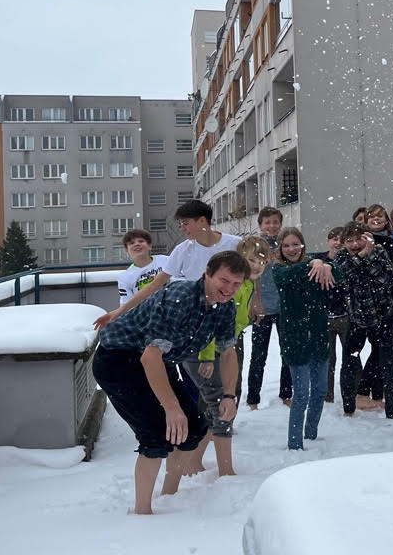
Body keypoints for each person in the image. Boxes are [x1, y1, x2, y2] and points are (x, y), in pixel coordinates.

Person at [92, 251, 249, 514]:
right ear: (207, 274)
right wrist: (171, 408)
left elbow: (228, 352)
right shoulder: (181, 297)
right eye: (224, 280)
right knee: (155, 437)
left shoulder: (224, 308)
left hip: (156, 359)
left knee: (195, 428)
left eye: (236, 284)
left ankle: (169, 495)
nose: (229, 289)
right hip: (117, 360)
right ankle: (143, 512)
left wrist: (229, 395)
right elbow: (150, 356)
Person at [184, 236, 269, 476]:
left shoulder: (248, 285)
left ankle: (195, 459)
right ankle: (216, 467)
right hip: (211, 348)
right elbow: (212, 322)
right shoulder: (234, 286)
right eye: (251, 260)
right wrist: (208, 356)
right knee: (221, 403)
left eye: (261, 261)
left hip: (227, 344)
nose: (256, 265)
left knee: (223, 402)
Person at [95, 200, 242, 328]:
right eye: (180, 224)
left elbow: (253, 273)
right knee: (199, 359)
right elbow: (155, 284)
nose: (182, 228)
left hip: (231, 312)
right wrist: (120, 310)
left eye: (186, 223)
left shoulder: (235, 244)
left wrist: (255, 299)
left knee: (230, 354)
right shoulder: (182, 251)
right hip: (197, 317)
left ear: (203, 221)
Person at [271, 227, 340, 449]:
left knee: (320, 389)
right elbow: (290, 276)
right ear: (280, 248)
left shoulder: (316, 266)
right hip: (295, 339)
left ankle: (311, 433)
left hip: (318, 335)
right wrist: (314, 264)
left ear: (302, 245)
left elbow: (339, 274)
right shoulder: (279, 270)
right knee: (301, 394)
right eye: (286, 245)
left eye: (295, 244)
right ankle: (294, 444)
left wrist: (327, 265)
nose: (291, 249)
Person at [334, 221, 393, 418]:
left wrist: (369, 255)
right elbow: (346, 279)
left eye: (358, 240)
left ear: (367, 238)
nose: (355, 244)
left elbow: (388, 279)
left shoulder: (379, 251)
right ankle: (348, 407)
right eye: (350, 240)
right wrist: (362, 257)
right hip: (357, 318)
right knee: (349, 361)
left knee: (387, 363)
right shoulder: (341, 257)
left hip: (383, 316)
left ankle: (392, 408)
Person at [246, 206, 293, 409]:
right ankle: (253, 399)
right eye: (268, 222)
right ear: (260, 225)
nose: (272, 226)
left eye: (275, 222)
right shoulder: (255, 246)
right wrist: (255, 302)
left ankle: (286, 394)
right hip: (263, 308)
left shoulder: (286, 245)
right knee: (258, 355)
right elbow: (251, 276)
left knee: (287, 353)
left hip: (284, 308)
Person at [314, 227, 349, 403]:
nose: (337, 243)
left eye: (341, 239)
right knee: (328, 360)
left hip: (345, 316)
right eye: (334, 239)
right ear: (328, 241)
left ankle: (351, 393)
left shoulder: (349, 261)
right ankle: (326, 396)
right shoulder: (317, 259)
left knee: (350, 358)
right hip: (325, 317)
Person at [117, 229, 169, 306]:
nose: (137, 244)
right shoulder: (124, 277)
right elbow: (126, 305)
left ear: (150, 246)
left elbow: (179, 283)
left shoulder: (166, 260)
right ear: (127, 250)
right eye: (131, 243)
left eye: (141, 241)